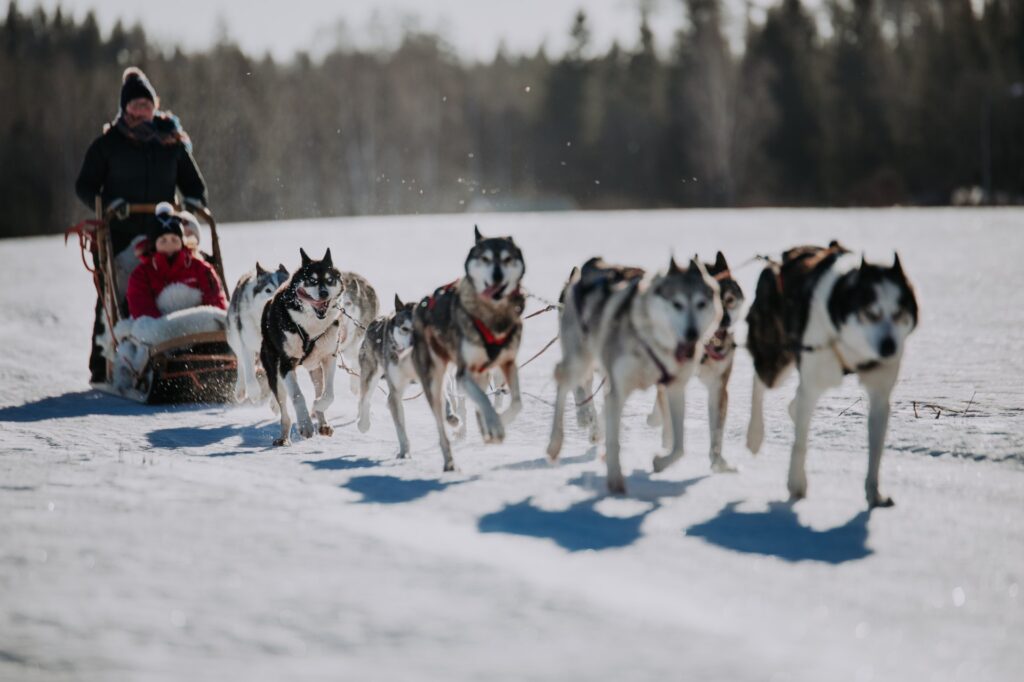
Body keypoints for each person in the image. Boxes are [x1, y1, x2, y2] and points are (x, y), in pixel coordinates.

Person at [75, 66, 208, 382]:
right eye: (135, 104)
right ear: (124, 108)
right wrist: (109, 206)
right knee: (113, 295)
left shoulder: (170, 143)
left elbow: (193, 185)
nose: (142, 110)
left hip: (164, 232)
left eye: (147, 104)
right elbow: (85, 185)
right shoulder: (109, 144)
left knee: (177, 285)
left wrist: (192, 203)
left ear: (155, 106)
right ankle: (103, 364)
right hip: (120, 235)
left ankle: (186, 349)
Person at [126, 204, 227, 320]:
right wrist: (162, 328)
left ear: (182, 242)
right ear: (154, 245)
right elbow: (142, 309)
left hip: (199, 328)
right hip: (161, 330)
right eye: (163, 240)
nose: (169, 244)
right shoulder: (142, 274)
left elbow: (215, 301)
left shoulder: (201, 268)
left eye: (174, 239)